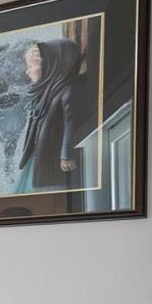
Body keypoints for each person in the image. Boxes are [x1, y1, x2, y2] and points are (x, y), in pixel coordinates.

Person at [14, 38, 94, 192]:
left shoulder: (69, 91)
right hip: (38, 154)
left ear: (53, 65)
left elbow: (70, 124)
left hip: (52, 158)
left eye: (32, 65)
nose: (27, 71)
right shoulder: (45, 93)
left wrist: (66, 155)